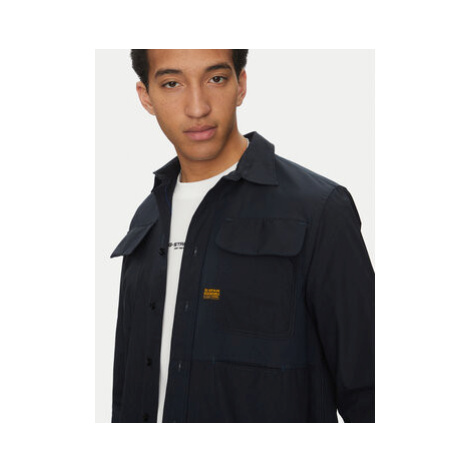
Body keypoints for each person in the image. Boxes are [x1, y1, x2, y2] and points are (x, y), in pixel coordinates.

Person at [110, 49, 375, 423]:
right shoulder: (147, 218)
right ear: (146, 97)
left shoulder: (318, 210)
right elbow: (127, 385)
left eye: (216, 79)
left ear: (241, 85)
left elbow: (370, 389)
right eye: (171, 84)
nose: (198, 107)